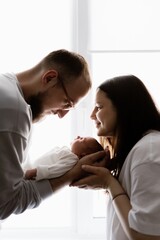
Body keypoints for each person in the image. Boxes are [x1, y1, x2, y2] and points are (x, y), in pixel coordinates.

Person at [0, 49, 106, 220]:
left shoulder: (6, 84)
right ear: (49, 78)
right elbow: (4, 204)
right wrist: (71, 175)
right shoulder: (14, 111)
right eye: (67, 103)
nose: (62, 114)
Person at [71, 75, 160, 239]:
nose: (92, 115)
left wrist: (109, 183)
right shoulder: (138, 151)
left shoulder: (149, 150)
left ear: (124, 109)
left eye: (99, 107)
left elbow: (145, 235)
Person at [24, 136, 103, 180]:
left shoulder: (72, 159)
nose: (78, 136)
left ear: (83, 155)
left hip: (32, 172)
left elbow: (56, 170)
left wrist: (35, 172)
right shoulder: (69, 154)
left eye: (81, 139)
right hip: (30, 166)